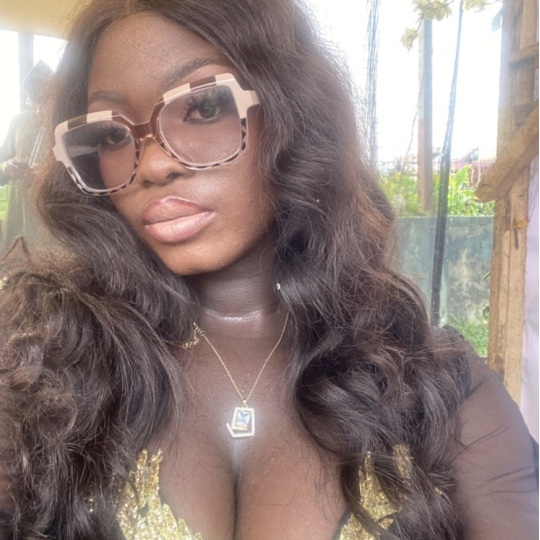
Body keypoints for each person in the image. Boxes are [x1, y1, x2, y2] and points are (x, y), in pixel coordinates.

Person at [0, 0, 537, 538]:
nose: (153, 164)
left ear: (292, 113)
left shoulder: (440, 390)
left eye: (203, 106)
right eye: (112, 135)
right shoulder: (42, 365)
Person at [0, 61, 52, 255]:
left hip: (50, 226)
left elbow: (83, 175)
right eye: (34, 101)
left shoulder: (66, 124)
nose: (39, 109)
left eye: (44, 101)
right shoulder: (19, 121)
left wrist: (46, 174)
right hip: (17, 222)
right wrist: (6, 166)